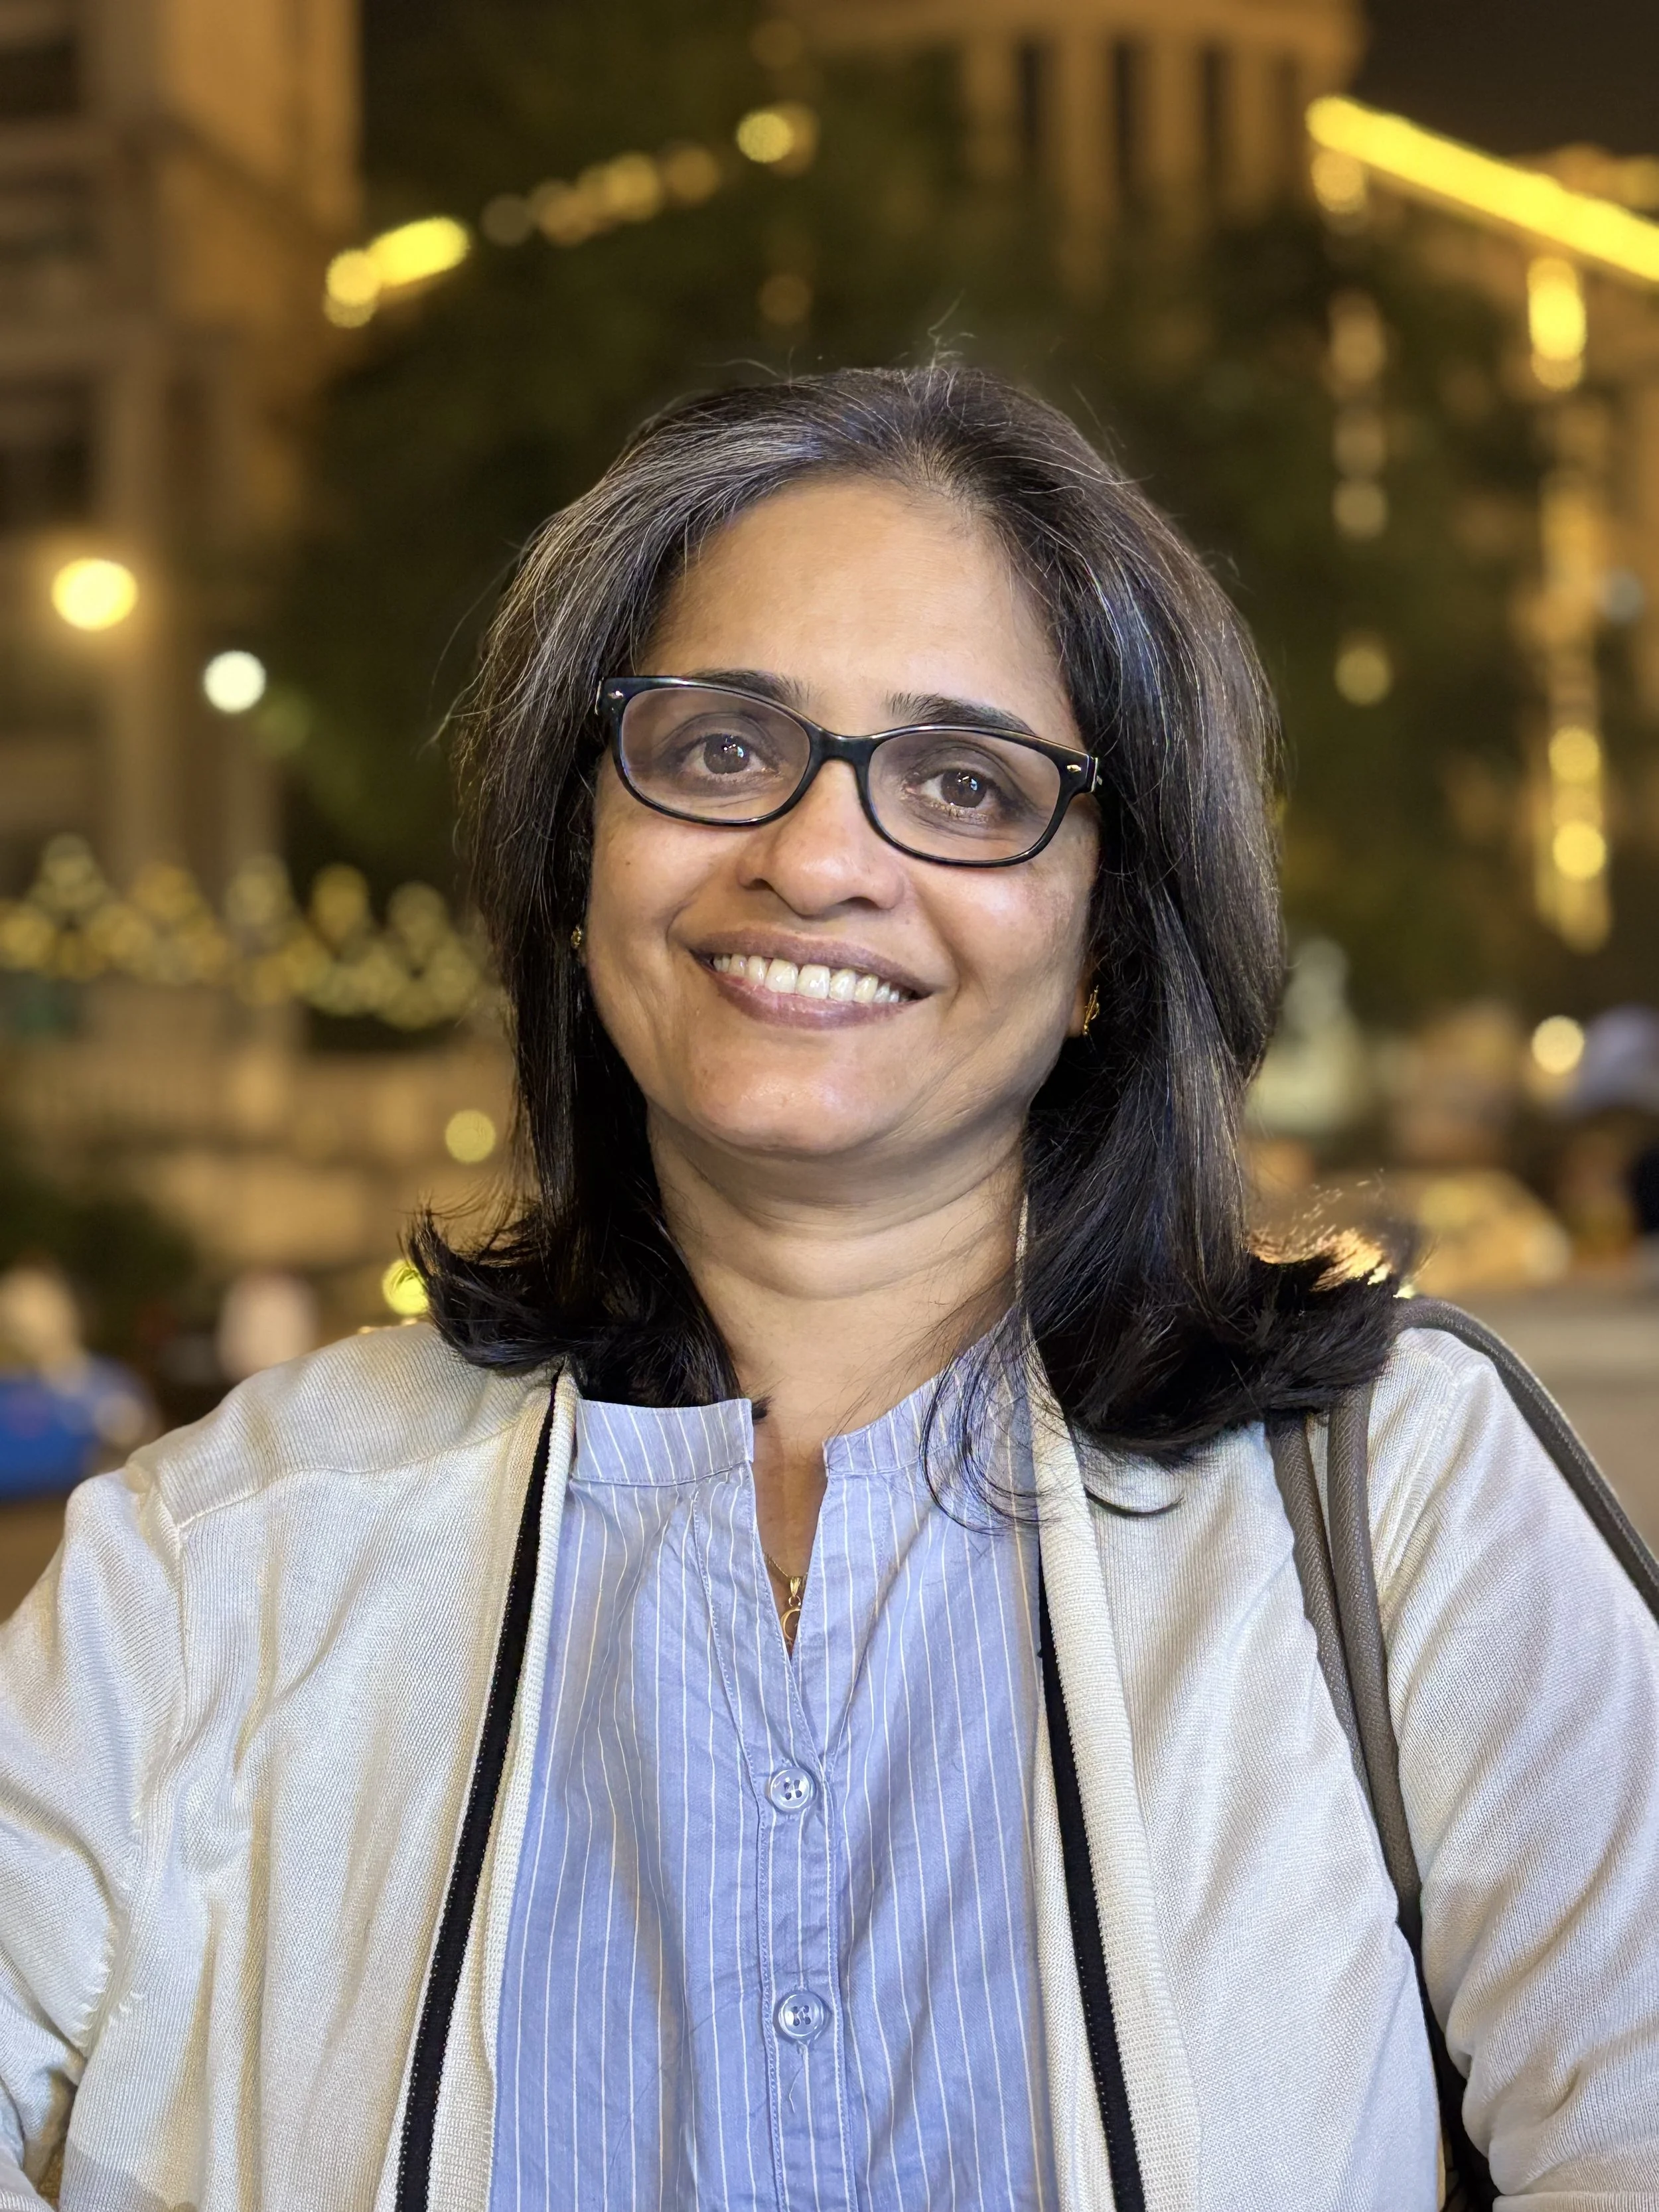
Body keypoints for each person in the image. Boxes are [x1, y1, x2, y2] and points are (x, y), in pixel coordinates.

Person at [0, 367, 1655, 2212]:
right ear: (581, 853)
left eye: (964, 783)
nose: (813, 856)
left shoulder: (1396, 1496)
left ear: (1104, 943)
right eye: (722, 748)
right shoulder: (221, 1553)